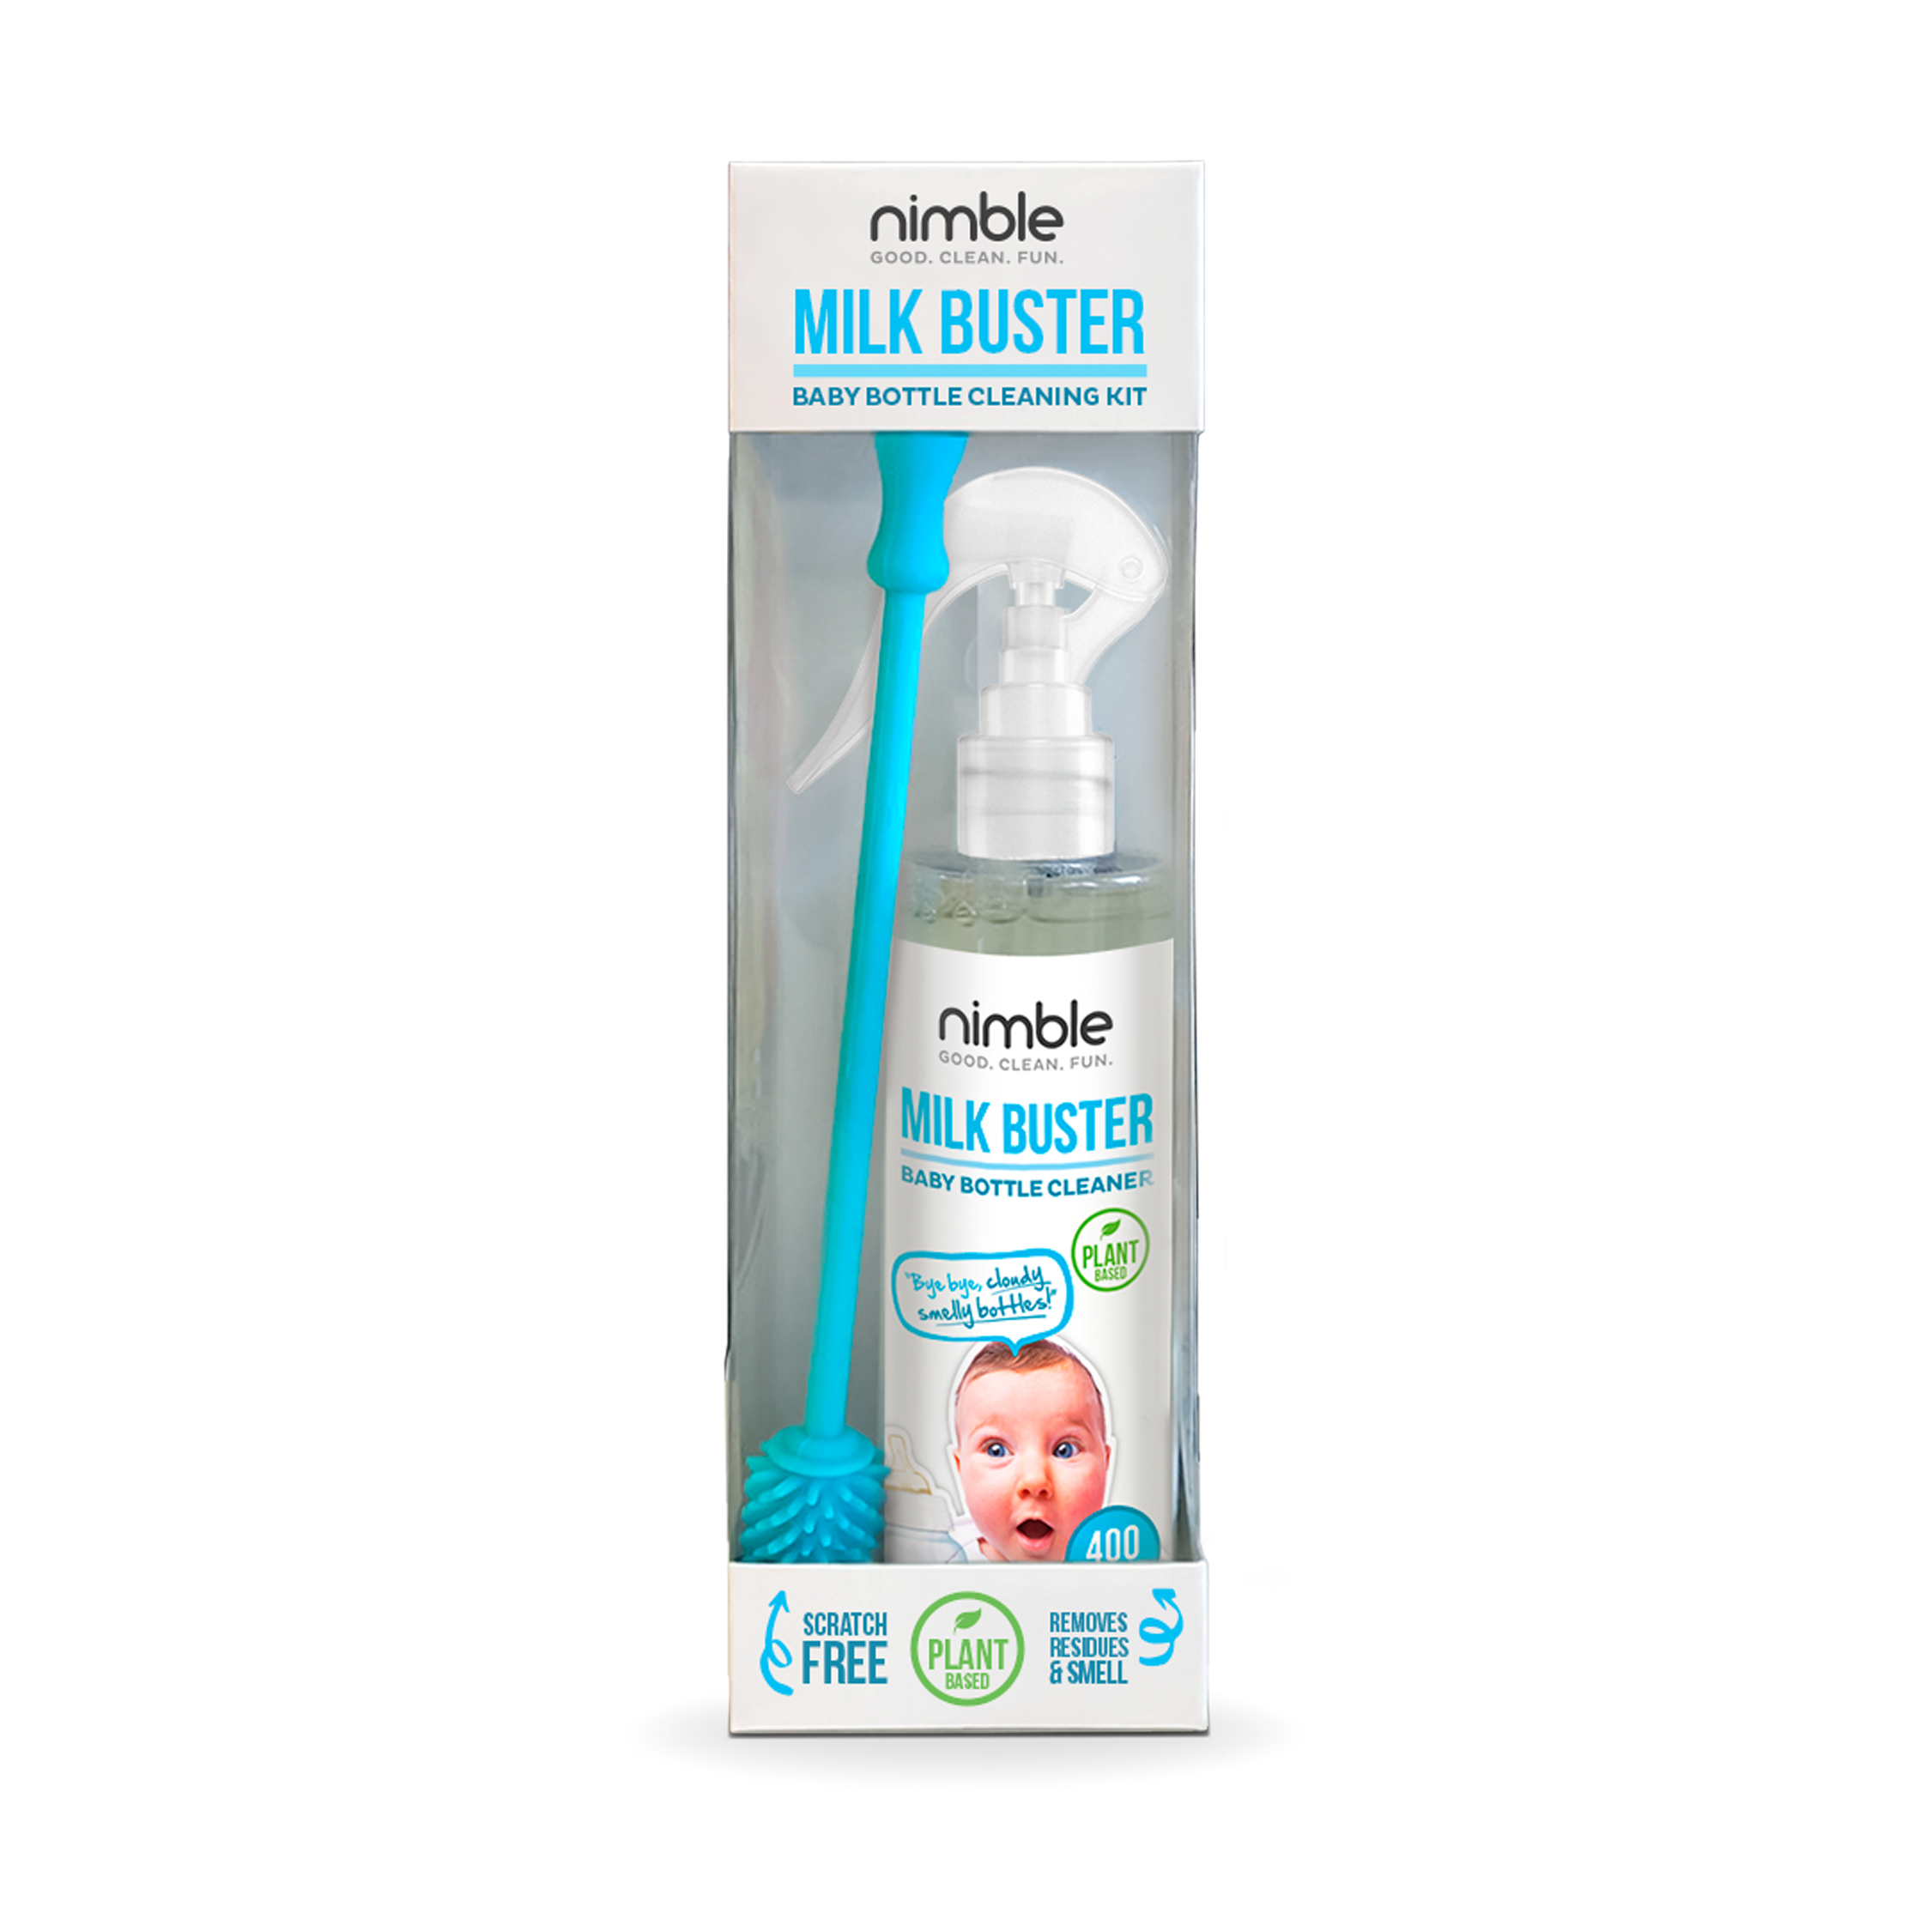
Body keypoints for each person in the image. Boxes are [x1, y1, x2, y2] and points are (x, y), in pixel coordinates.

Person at [949, 1339, 1111, 1562]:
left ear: (1105, 1464)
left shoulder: (1125, 1555)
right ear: (961, 1470)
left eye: (1064, 1450)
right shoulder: (942, 1558)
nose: (1035, 1480)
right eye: (997, 1450)